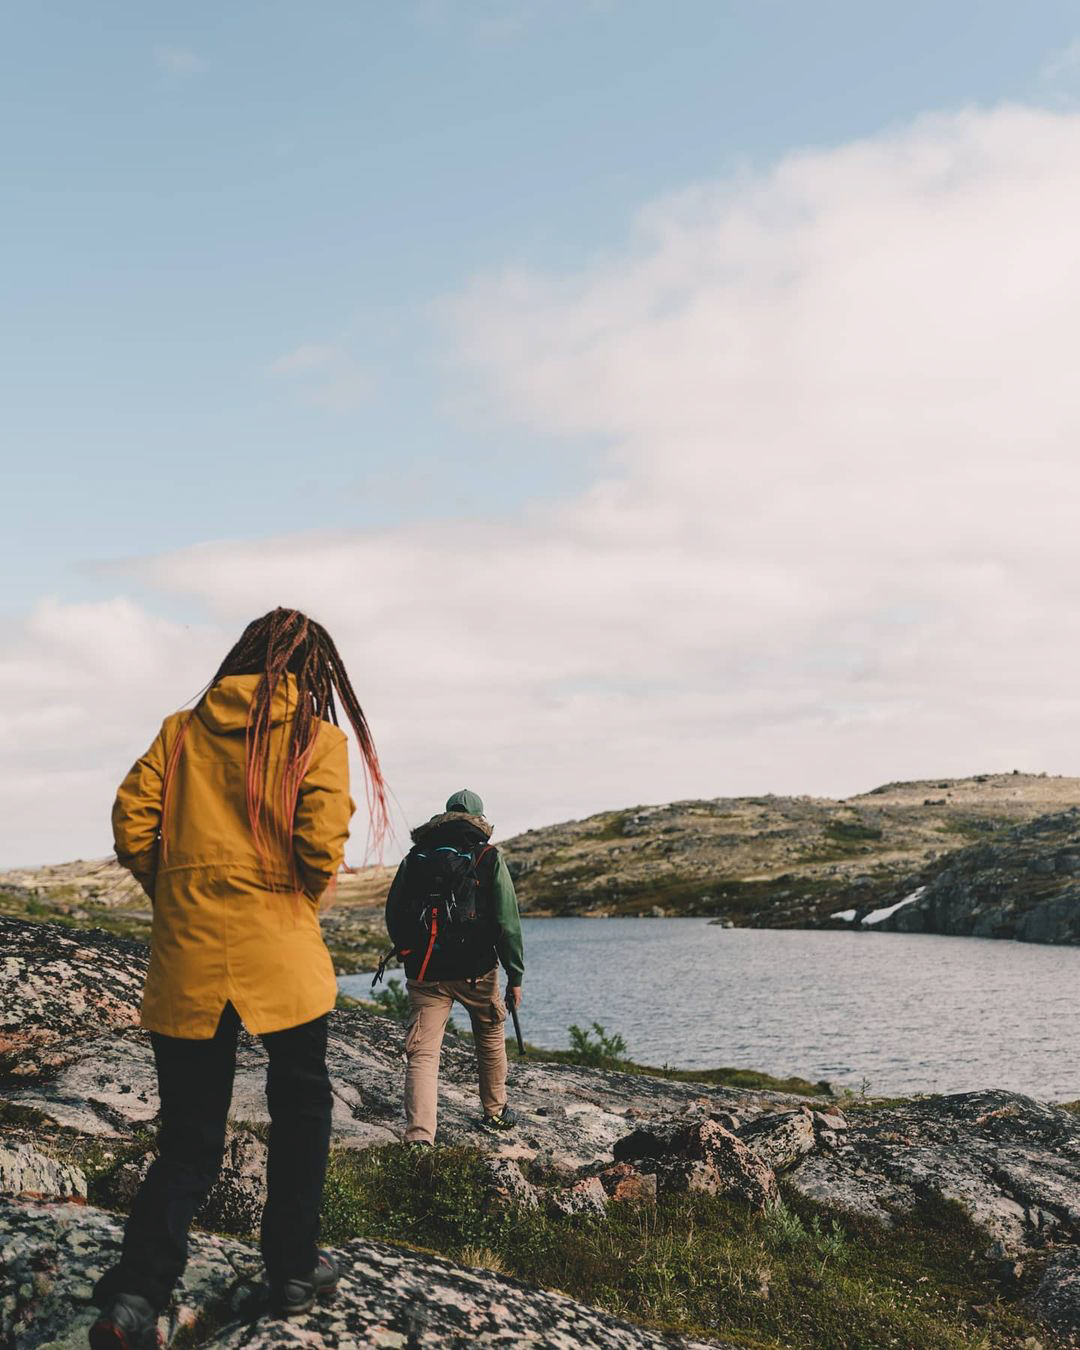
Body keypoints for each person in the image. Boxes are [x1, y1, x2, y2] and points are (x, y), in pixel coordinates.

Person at [89, 608, 388, 1350]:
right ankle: (291, 1268)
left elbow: (132, 821)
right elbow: (320, 844)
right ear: (314, 674)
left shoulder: (180, 730)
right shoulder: (316, 739)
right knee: (302, 1111)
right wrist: (291, 897)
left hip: (188, 955)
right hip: (279, 952)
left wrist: (179, 889)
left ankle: (136, 1297)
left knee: (189, 1138)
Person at [383, 788, 524, 1146]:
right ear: (479, 818)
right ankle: (494, 1112)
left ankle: (419, 1139)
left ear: (444, 815)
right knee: (490, 1036)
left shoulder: (416, 856)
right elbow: (508, 922)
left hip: (425, 971)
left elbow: (394, 911)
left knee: (424, 1053)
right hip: (476, 970)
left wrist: (406, 952)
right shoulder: (488, 856)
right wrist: (515, 976)